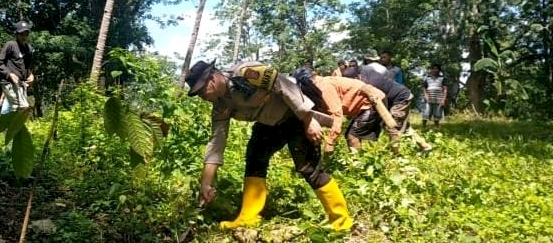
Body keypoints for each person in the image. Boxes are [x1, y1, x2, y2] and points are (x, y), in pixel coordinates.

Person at [185, 60, 352, 231]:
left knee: (309, 168)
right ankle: (248, 217)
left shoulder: (246, 74)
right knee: (254, 159)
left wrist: (308, 119)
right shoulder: (220, 106)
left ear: (211, 79)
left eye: (201, 92)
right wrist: (206, 183)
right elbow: (216, 143)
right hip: (268, 124)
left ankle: (341, 221)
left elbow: (284, 85)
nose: (202, 97)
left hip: (295, 117)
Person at [293, 68, 388, 153]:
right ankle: (360, 158)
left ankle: (358, 166)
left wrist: (330, 142)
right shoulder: (320, 85)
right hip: (365, 103)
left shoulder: (324, 87)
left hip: (372, 102)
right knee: (352, 133)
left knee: (352, 135)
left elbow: (337, 115)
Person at [343, 67, 432, 153]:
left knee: (392, 127)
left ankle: (395, 156)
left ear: (358, 77)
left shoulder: (368, 84)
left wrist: (384, 118)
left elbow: (377, 102)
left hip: (400, 98)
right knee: (403, 127)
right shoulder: (363, 74)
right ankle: (425, 146)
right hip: (392, 98)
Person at [0, 21, 35, 114]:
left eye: (26, 34)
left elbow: (27, 67)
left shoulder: (28, 48)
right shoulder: (10, 45)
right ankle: (16, 128)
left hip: (21, 84)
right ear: (17, 34)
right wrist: (10, 74)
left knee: (11, 110)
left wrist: (31, 75)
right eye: (21, 34)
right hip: (8, 83)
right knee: (23, 107)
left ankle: (3, 125)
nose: (24, 36)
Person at [422, 64, 447, 129]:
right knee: (426, 112)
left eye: (437, 69)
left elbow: (445, 89)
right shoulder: (427, 78)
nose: (435, 70)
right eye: (434, 68)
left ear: (439, 70)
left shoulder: (443, 78)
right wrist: (426, 96)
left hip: (439, 98)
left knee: (437, 114)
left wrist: (443, 99)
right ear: (431, 70)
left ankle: (437, 127)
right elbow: (424, 88)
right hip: (429, 98)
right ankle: (423, 127)